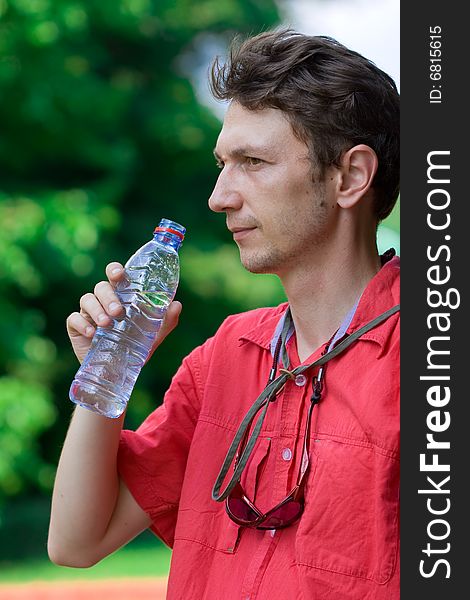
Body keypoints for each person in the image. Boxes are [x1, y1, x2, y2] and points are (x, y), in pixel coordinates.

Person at [48, 28, 400, 599]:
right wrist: (105, 375)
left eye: (253, 162)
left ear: (350, 176)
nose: (219, 197)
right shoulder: (225, 356)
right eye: (222, 164)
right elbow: (74, 541)